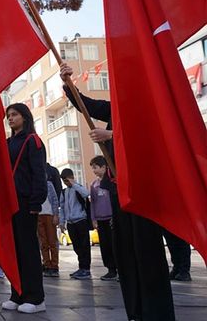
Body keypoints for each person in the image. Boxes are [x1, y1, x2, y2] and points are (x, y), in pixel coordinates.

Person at [60, 63, 174, 320]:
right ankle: (136, 311)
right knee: (126, 253)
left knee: (147, 253)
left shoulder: (149, 105)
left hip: (143, 190)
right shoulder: (115, 108)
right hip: (118, 190)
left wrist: (110, 134)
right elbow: (86, 104)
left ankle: (156, 312)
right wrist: (69, 84)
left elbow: (148, 135)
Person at [2, 103, 47, 314]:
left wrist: (36, 201)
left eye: (15, 114)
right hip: (9, 203)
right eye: (8, 115)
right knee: (15, 250)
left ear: (25, 117)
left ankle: (36, 298)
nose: (10, 118)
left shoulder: (32, 140)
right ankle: (17, 294)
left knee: (28, 250)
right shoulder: (8, 142)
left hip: (26, 202)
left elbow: (39, 173)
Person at [59, 168, 92, 280]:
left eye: (67, 180)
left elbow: (86, 193)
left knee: (84, 246)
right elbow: (62, 208)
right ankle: (81, 267)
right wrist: (62, 221)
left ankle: (86, 269)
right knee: (77, 246)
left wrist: (74, 184)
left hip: (81, 221)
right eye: (64, 181)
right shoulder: (64, 192)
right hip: (71, 223)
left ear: (71, 178)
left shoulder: (78, 188)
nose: (66, 183)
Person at [89, 156, 117, 281]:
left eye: (95, 167)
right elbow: (92, 203)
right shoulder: (94, 185)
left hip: (111, 218)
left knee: (114, 244)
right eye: (92, 168)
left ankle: (119, 269)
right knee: (104, 246)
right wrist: (94, 219)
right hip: (100, 220)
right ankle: (110, 270)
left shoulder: (111, 182)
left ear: (104, 167)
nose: (94, 170)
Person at [37, 174, 60, 278]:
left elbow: (55, 200)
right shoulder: (34, 185)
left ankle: (54, 266)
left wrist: (56, 215)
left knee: (52, 241)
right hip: (38, 215)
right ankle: (46, 264)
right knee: (43, 243)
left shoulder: (49, 185)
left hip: (49, 215)